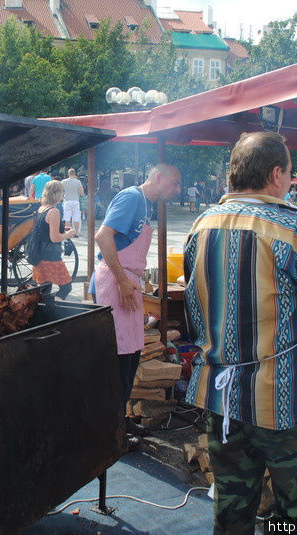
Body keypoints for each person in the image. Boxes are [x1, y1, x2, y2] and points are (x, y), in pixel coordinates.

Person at [183, 132, 297, 533]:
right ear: (275, 174)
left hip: (225, 401)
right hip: (290, 407)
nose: (289, 180)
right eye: (289, 173)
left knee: (232, 513)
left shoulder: (200, 226)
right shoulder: (287, 229)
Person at [92, 163, 181, 433]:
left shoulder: (146, 204)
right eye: (174, 183)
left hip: (129, 280)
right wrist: (121, 281)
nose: (176, 189)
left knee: (130, 355)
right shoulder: (132, 197)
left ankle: (119, 420)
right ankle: (109, 427)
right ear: (158, 177)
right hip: (115, 281)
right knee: (118, 357)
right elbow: (103, 236)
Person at [31, 180, 77, 299]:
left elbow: (45, 229)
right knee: (66, 287)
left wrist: (62, 228)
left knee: (44, 289)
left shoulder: (42, 208)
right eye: (62, 192)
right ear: (56, 194)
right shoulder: (54, 211)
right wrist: (69, 234)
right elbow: (54, 237)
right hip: (51, 257)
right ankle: (52, 308)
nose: (63, 195)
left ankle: (45, 311)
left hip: (39, 255)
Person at [61, 168, 84, 234]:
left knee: (67, 217)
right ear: (74, 174)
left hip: (67, 201)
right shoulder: (78, 182)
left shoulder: (63, 181)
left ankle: (68, 233)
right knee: (76, 218)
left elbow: (61, 191)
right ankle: (76, 233)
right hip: (76, 201)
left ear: (68, 174)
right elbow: (81, 193)